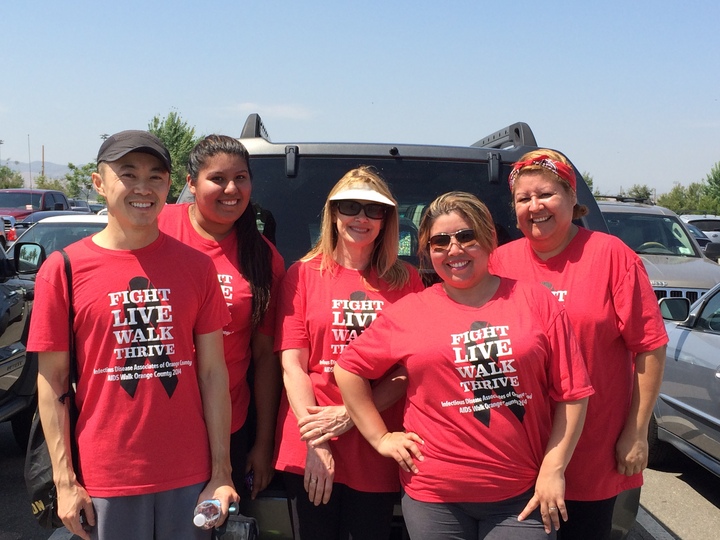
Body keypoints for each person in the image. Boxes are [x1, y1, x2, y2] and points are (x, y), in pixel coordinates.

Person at [335, 191, 594, 539]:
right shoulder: (411, 311)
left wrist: (554, 468)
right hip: (433, 496)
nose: (454, 250)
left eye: (466, 236)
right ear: (428, 251)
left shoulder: (536, 301)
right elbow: (348, 368)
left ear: (488, 239)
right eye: (440, 241)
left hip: (519, 493)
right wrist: (380, 437)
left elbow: (573, 392)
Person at [29, 130, 238, 540]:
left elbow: (213, 374)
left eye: (156, 177)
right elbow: (52, 382)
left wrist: (221, 472)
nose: (143, 189)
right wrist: (65, 481)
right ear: (98, 182)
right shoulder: (63, 270)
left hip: (189, 476)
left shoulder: (197, 267)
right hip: (106, 476)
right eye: (128, 175)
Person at [488, 150, 668, 540]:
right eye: (523, 198)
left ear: (573, 198)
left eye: (546, 194)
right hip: (520, 453)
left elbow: (650, 347)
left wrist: (636, 434)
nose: (535, 207)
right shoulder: (499, 262)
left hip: (593, 451)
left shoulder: (611, 256)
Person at [273, 166, 425, 539]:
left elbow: (410, 369)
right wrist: (317, 441)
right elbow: (293, 364)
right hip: (310, 439)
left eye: (374, 210)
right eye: (350, 207)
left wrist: (352, 414)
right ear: (333, 213)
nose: (362, 217)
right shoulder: (302, 274)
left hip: (377, 442)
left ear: (387, 219)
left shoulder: (407, 281)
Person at [159, 134, 286, 499]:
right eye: (218, 178)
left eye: (241, 178)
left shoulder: (264, 258)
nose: (231, 188)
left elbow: (264, 358)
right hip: (157, 419)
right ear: (190, 182)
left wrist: (262, 443)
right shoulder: (159, 225)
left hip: (230, 424)